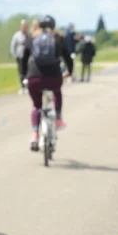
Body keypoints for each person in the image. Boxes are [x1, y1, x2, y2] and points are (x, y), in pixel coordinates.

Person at [20, 15, 73, 151]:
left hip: (34, 78)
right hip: (54, 77)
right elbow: (67, 57)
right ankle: (59, 118)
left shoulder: (31, 37)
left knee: (37, 106)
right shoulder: (58, 37)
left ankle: (34, 134)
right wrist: (69, 72)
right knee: (56, 90)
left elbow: (23, 58)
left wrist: (24, 76)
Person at [10, 19, 30, 94]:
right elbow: (13, 46)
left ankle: (27, 87)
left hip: (28, 57)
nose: (24, 27)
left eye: (25, 26)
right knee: (21, 72)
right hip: (20, 57)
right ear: (20, 26)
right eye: (23, 26)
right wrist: (15, 55)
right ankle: (22, 87)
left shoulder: (29, 35)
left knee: (28, 72)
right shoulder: (16, 35)